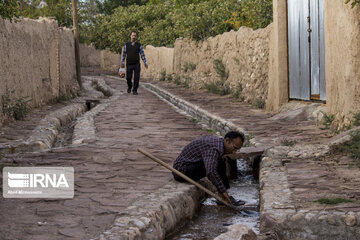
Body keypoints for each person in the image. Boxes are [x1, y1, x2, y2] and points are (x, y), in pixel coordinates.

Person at [173, 131, 245, 204]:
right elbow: (210, 171)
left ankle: (224, 195)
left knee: (221, 160)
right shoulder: (214, 149)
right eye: (234, 148)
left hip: (191, 165)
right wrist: (222, 189)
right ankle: (223, 194)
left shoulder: (219, 143)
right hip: (181, 172)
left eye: (237, 150)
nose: (234, 152)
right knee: (217, 164)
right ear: (227, 141)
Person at [120, 31, 148, 95]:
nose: (133, 37)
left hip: (136, 64)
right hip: (129, 64)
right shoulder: (126, 45)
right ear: (130, 36)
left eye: (135, 36)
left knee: (136, 78)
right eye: (132, 35)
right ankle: (129, 87)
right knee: (128, 77)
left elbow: (142, 54)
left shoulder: (139, 45)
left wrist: (145, 62)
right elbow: (124, 54)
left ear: (136, 37)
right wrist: (122, 62)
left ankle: (135, 90)